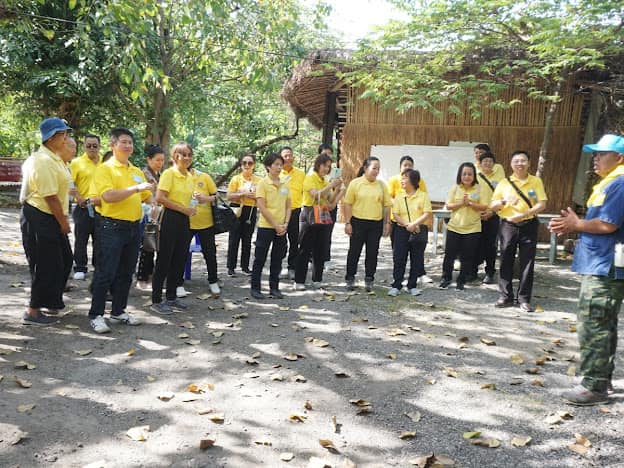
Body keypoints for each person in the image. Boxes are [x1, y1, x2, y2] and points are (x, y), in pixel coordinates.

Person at [549, 134, 624, 406]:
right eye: (595, 153)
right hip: (601, 264)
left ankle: (594, 386)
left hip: (606, 268)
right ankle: (600, 379)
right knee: (603, 324)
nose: (596, 158)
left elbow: (608, 225)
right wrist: (572, 225)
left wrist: (576, 224)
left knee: (594, 324)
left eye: (602, 154)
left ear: (619, 158)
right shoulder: (611, 182)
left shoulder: (620, 183)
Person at [88, 128, 154, 333]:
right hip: (111, 227)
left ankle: (118, 311)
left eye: (130, 142)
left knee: (126, 273)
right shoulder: (105, 169)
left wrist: (152, 201)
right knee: (106, 272)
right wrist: (136, 188)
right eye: (123, 142)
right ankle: (96, 315)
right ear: (113, 144)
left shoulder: (136, 172)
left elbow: (147, 198)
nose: (128, 146)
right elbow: (107, 196)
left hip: (134, 228)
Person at [19, 118, 74, 325]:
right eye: (62, 134)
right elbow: (50, 197)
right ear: (51, 138)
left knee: (65, 259)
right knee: (45, 263)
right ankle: (33, 311)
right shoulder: (42, 160)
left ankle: (51, 301)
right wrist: (63, 222)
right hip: (40, 215)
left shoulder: (55, 158)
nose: (65, 138)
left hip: (51, 215)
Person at [490, 150, 547, 312]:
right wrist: (504, 201)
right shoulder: (504, 183)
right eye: (516, 161)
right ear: (511, 164)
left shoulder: (535, 181)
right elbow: (492, 206)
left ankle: (524, 299)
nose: (520, 164)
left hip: (529, 224)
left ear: (529, 163)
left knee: (527, 262)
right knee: (505, 259)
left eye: (523, 161)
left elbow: (542, 204)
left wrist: (524, 214)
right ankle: (505, 296)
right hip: (508, 226)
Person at [150, 142, 197, 315]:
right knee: (164, 259)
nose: (186, 158)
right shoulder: (169, 173)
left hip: (185, 221)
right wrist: (183, 209)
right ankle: (156, 300)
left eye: (189, 154)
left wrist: (191, 206)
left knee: (180, 259)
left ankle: (171, 297)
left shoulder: (190, 176)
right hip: (169, 218)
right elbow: (160, 197)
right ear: (175, 156)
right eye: (183, 154)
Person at [294, 153, 342, 290]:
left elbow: (329, 200)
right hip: (309, 213)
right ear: (318, 165)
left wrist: (338, 189)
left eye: (329, 167)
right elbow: (316, 195)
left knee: (320, 248)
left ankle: (317, 279)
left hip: (323, 212)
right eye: (324, 166)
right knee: (305, 248)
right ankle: (299, 280)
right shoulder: (310, 178)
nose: (326, 169)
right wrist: (330, 185)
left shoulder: (325, 180)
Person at [343, 156, 391, 292]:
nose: (376, 171)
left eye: (378, 169)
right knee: (354, 252)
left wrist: (387, 223)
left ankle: (369, 278)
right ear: (365, 168)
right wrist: (347, 222)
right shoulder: (355, 183)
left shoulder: (381, 185)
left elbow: (387, 205)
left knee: (372, 252)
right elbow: (347, 204)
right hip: (358, 222)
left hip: (375, 224)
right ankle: (350, 278)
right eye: (374, 168)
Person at [439, 162, 487, 290]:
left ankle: (461, 280)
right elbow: (449, 205)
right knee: (449, 255)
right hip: (454, 227)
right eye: (464, 174)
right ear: (460, 175)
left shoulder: (479, 188)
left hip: (472, 228)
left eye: (470, 174)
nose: (467, 176)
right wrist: (462, 203)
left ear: (474, 175)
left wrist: (470, 203)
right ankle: (446, 278)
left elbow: (484, 206)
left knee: (467, 256)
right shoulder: (455, 188)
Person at [250, 152, 291, 299]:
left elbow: (288, 206)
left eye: (281, 165)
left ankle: (274, 287)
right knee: (260, 258)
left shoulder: (285, 184)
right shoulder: (262, 183)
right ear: (268, 166)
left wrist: (285, 224)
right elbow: (262, 207)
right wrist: (275, 225)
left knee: (277, 258)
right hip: (266, 227)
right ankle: (255, 288)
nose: (279, 167)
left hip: (281, 227)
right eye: (276, 165)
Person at [387, 155, 432, 284]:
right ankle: (397, 281)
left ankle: (415, 280)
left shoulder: (420, 186)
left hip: (418, 226)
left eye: (410, 165)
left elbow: (426, 209)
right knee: (399, 253)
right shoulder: (394, 182)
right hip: (400, 223)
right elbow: (390, 200)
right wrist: (407, 224)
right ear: (400, 166)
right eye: (405, 165)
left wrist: (415, 224)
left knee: (417, 255)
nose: (407, 167)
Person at [69, 134, 101, 281]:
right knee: (81, 238)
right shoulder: (77, 163)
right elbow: (70, 183)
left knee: (100, 239)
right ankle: (80, 267)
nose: (92, 148)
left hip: (101, 206)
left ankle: (98, 266)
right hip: (83, 206)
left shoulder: (105, 163)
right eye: (89, 146)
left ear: (99, 146)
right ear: (84, 146)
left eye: (95, 146)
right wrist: (79, 198)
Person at [226, 154, 261, 277]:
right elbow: (229, 196)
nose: (247, 165)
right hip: (236, 209)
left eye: (250, 163)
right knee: (233, 239)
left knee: (247, 239)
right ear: (241, 165)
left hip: (250, 210)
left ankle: (245, 267)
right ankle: (231, 267)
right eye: (244, 163)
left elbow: (262, 197)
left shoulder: (258, 180)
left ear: (254, 165)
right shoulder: (236, 179)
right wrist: (242, 194)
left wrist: (254, 196)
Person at [136, 145, 165, 291]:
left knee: (154, 245)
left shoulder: (160, 175)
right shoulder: (143, 174)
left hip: (158, 213)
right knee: (147, 246)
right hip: (146, 213)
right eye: (157, 160)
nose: (160, 163)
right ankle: (142, 278)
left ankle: (151, 274)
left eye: (162, 160)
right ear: (149, 159)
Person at [473, 151, 504, 284]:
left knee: (491, 245)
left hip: (493, 215)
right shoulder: (476, 177)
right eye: (485, 161)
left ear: (494, 163)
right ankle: (472, 271)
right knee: (475, 243)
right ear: (480, 163)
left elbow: (502, 197)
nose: (488, 163)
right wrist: (477, 211)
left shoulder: (499, 178)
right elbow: (473, 195)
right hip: (476, 215)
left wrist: (491, 212)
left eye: (490, 161)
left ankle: (490, 272)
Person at [190, 168, 221, 297]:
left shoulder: (204, 176)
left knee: (210, 253)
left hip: (206, 223)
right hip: (185, 223)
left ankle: (213, 281)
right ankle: (178, 283)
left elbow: (216, 195)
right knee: (180, 253)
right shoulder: (175, 175)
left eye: (188, 158)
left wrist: (205, 198)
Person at [280, 146, 305, 280]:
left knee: (294, 241)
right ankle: (277, 267)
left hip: (295, 211)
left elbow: (306, 191)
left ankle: (292, 267)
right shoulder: (276, 173)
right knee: (280, 241)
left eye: (290, 155)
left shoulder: (300, 174)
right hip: (279, 212)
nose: (288, 158)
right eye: (285, 156)